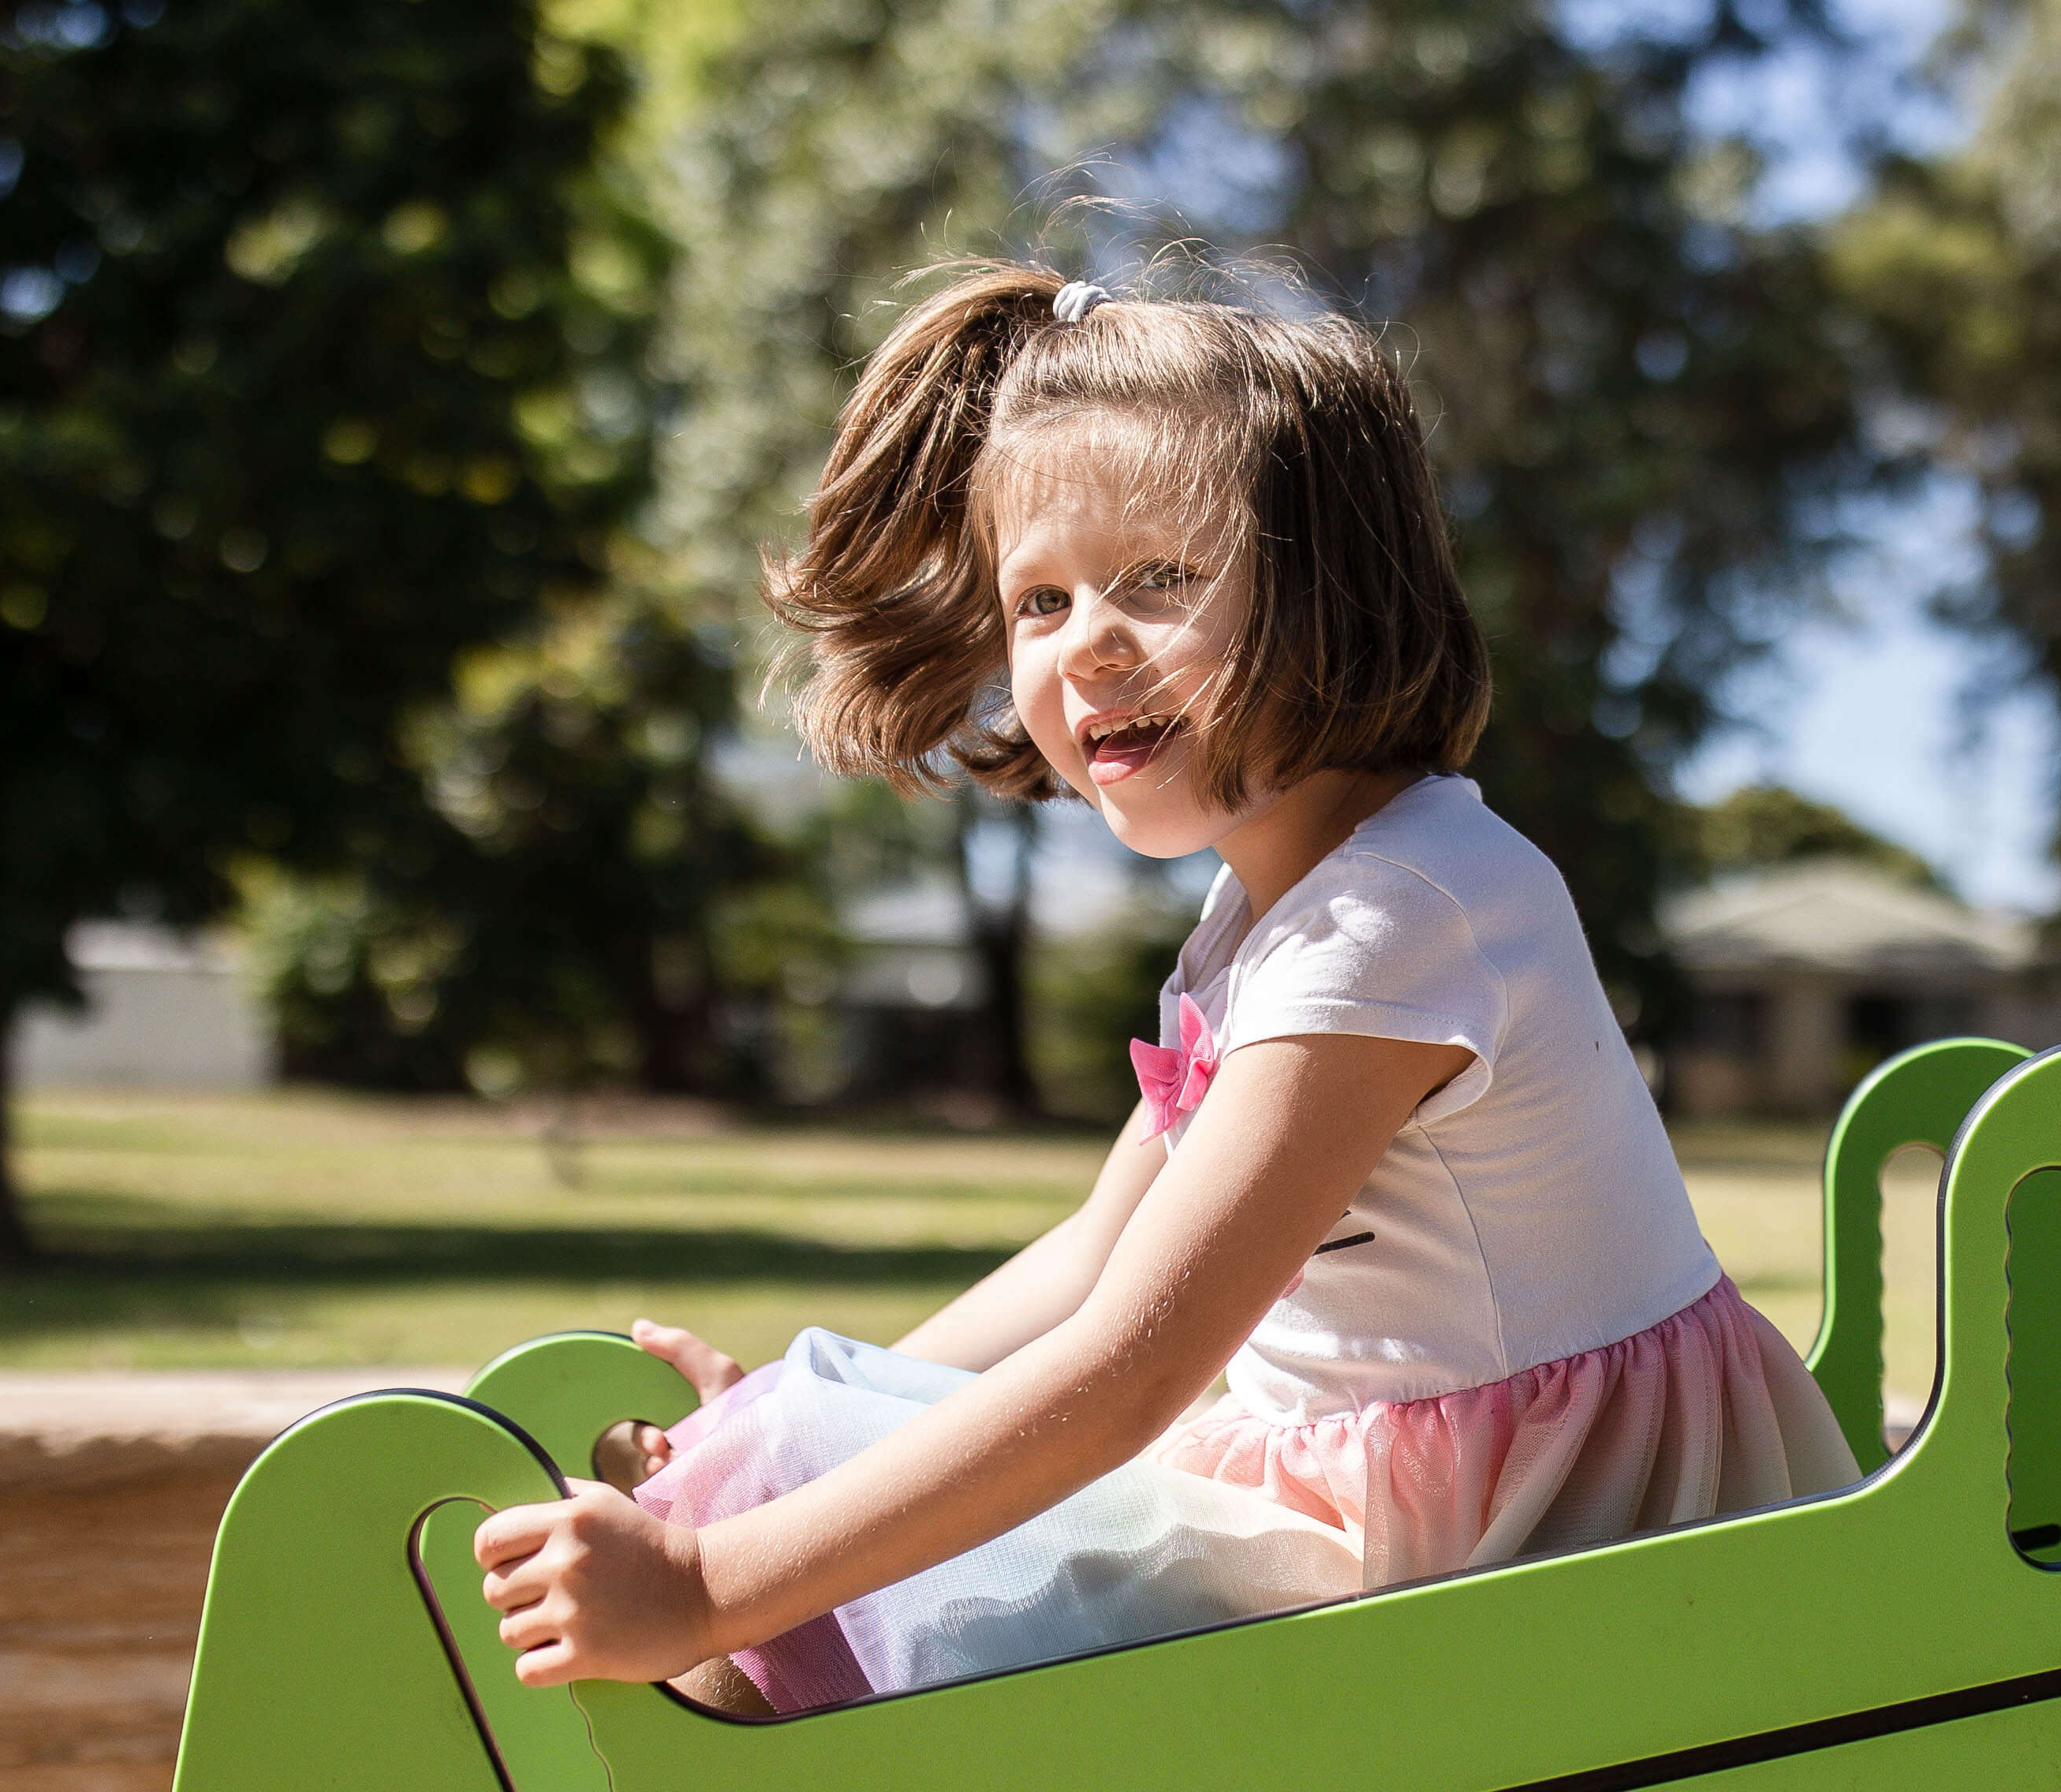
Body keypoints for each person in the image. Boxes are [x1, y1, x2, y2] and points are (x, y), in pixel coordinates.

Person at [474, 264, 1861, 1712]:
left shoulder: (1403, 915)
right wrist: (797, 1427)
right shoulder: (1265, 913)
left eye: (1161, 580)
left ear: (1333, 586)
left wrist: (710, 1583)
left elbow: (1132, 1371)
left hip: (1537, 1559)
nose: (1086, 644)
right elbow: (1093, 1260)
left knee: (808, 1637)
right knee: (805, 1497)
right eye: (1043, 600)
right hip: (1388, 1492)